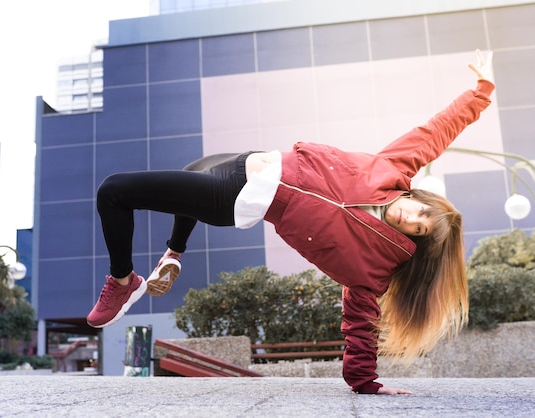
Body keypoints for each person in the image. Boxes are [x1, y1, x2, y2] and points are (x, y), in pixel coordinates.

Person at [87, 50, 495, 395]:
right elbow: (435, 132)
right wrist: (481, 93)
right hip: (245, 160)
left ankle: (123, 282)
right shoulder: (391, 170)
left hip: (237, 198)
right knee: (189, 170)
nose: (412, 218)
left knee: (114, 191)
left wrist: (365, 381)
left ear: (415, 240)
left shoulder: (373, 269)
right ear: (418, 197)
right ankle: (174, 253)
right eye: (422, 211)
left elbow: (360, 323)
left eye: (419, 229)